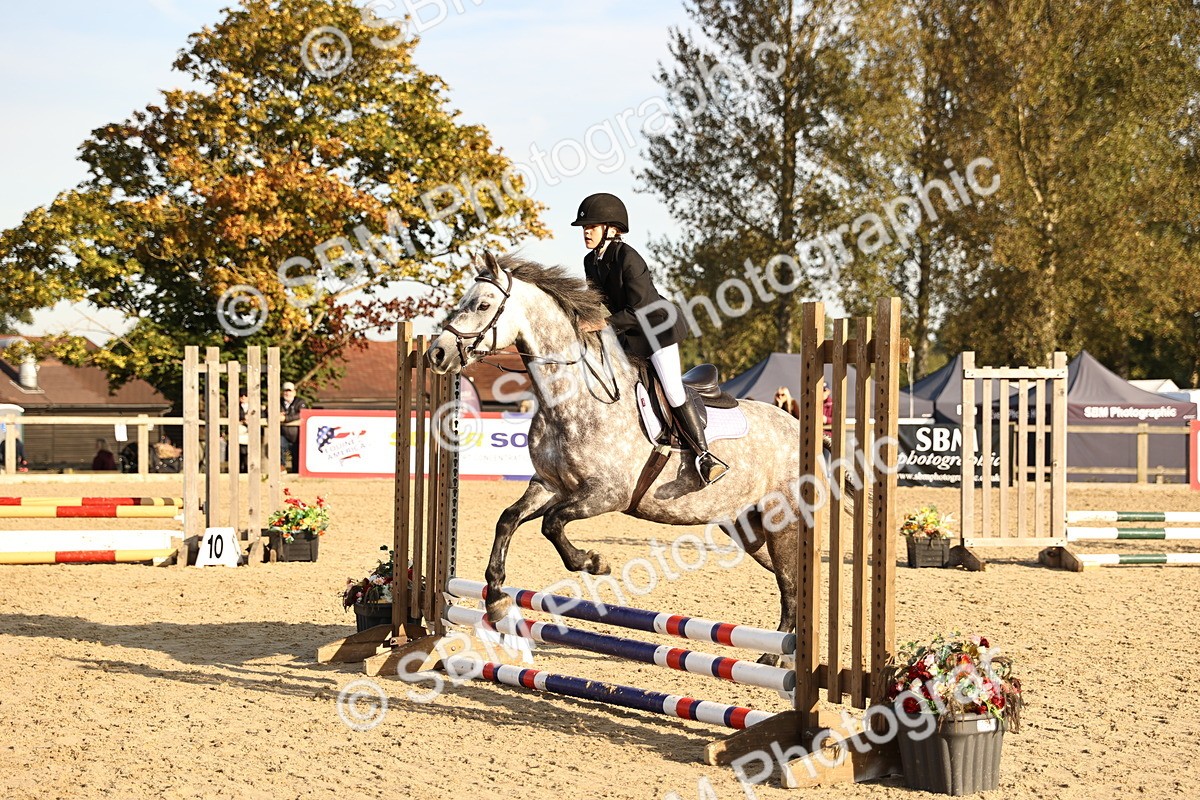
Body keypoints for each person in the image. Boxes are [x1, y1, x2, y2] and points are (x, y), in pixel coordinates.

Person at [571, 193, 727, 484]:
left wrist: (602, 323)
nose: (586, 231)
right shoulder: (591, 262)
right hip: (628, 332)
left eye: (592, 226)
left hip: (657, 329)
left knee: (672, 389)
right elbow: (596, 301)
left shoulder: (628, 257)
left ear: (611, 228)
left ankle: (705, 456)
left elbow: (640, 308)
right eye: (584, 227)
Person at [281, 381, 306, 473]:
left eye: (289, 391)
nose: (287, 393)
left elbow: (302, 414)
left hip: (297, 434)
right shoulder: (278, 402)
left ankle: (296, 472)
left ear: (294, 392)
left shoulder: (300, 402)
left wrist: (285, 418)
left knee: (297, 454)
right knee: (279, 447)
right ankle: (282, 468)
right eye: (285, 391)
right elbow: (271, 412)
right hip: (283, 433)